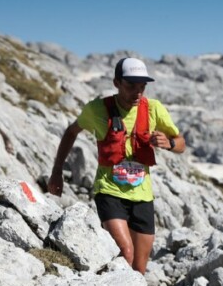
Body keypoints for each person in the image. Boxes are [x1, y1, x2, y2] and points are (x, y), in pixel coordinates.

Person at [47, 57, 185, 274]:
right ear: (116, 83)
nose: (138, 92)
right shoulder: (97, 110)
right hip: (109, 190)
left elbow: (181, 143)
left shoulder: (154, 109)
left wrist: (170, 144)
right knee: (125, 252)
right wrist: (57, 171)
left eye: (142, 86)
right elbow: (71, 132)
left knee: (139, 270)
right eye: (131, 85)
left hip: (142, 194)